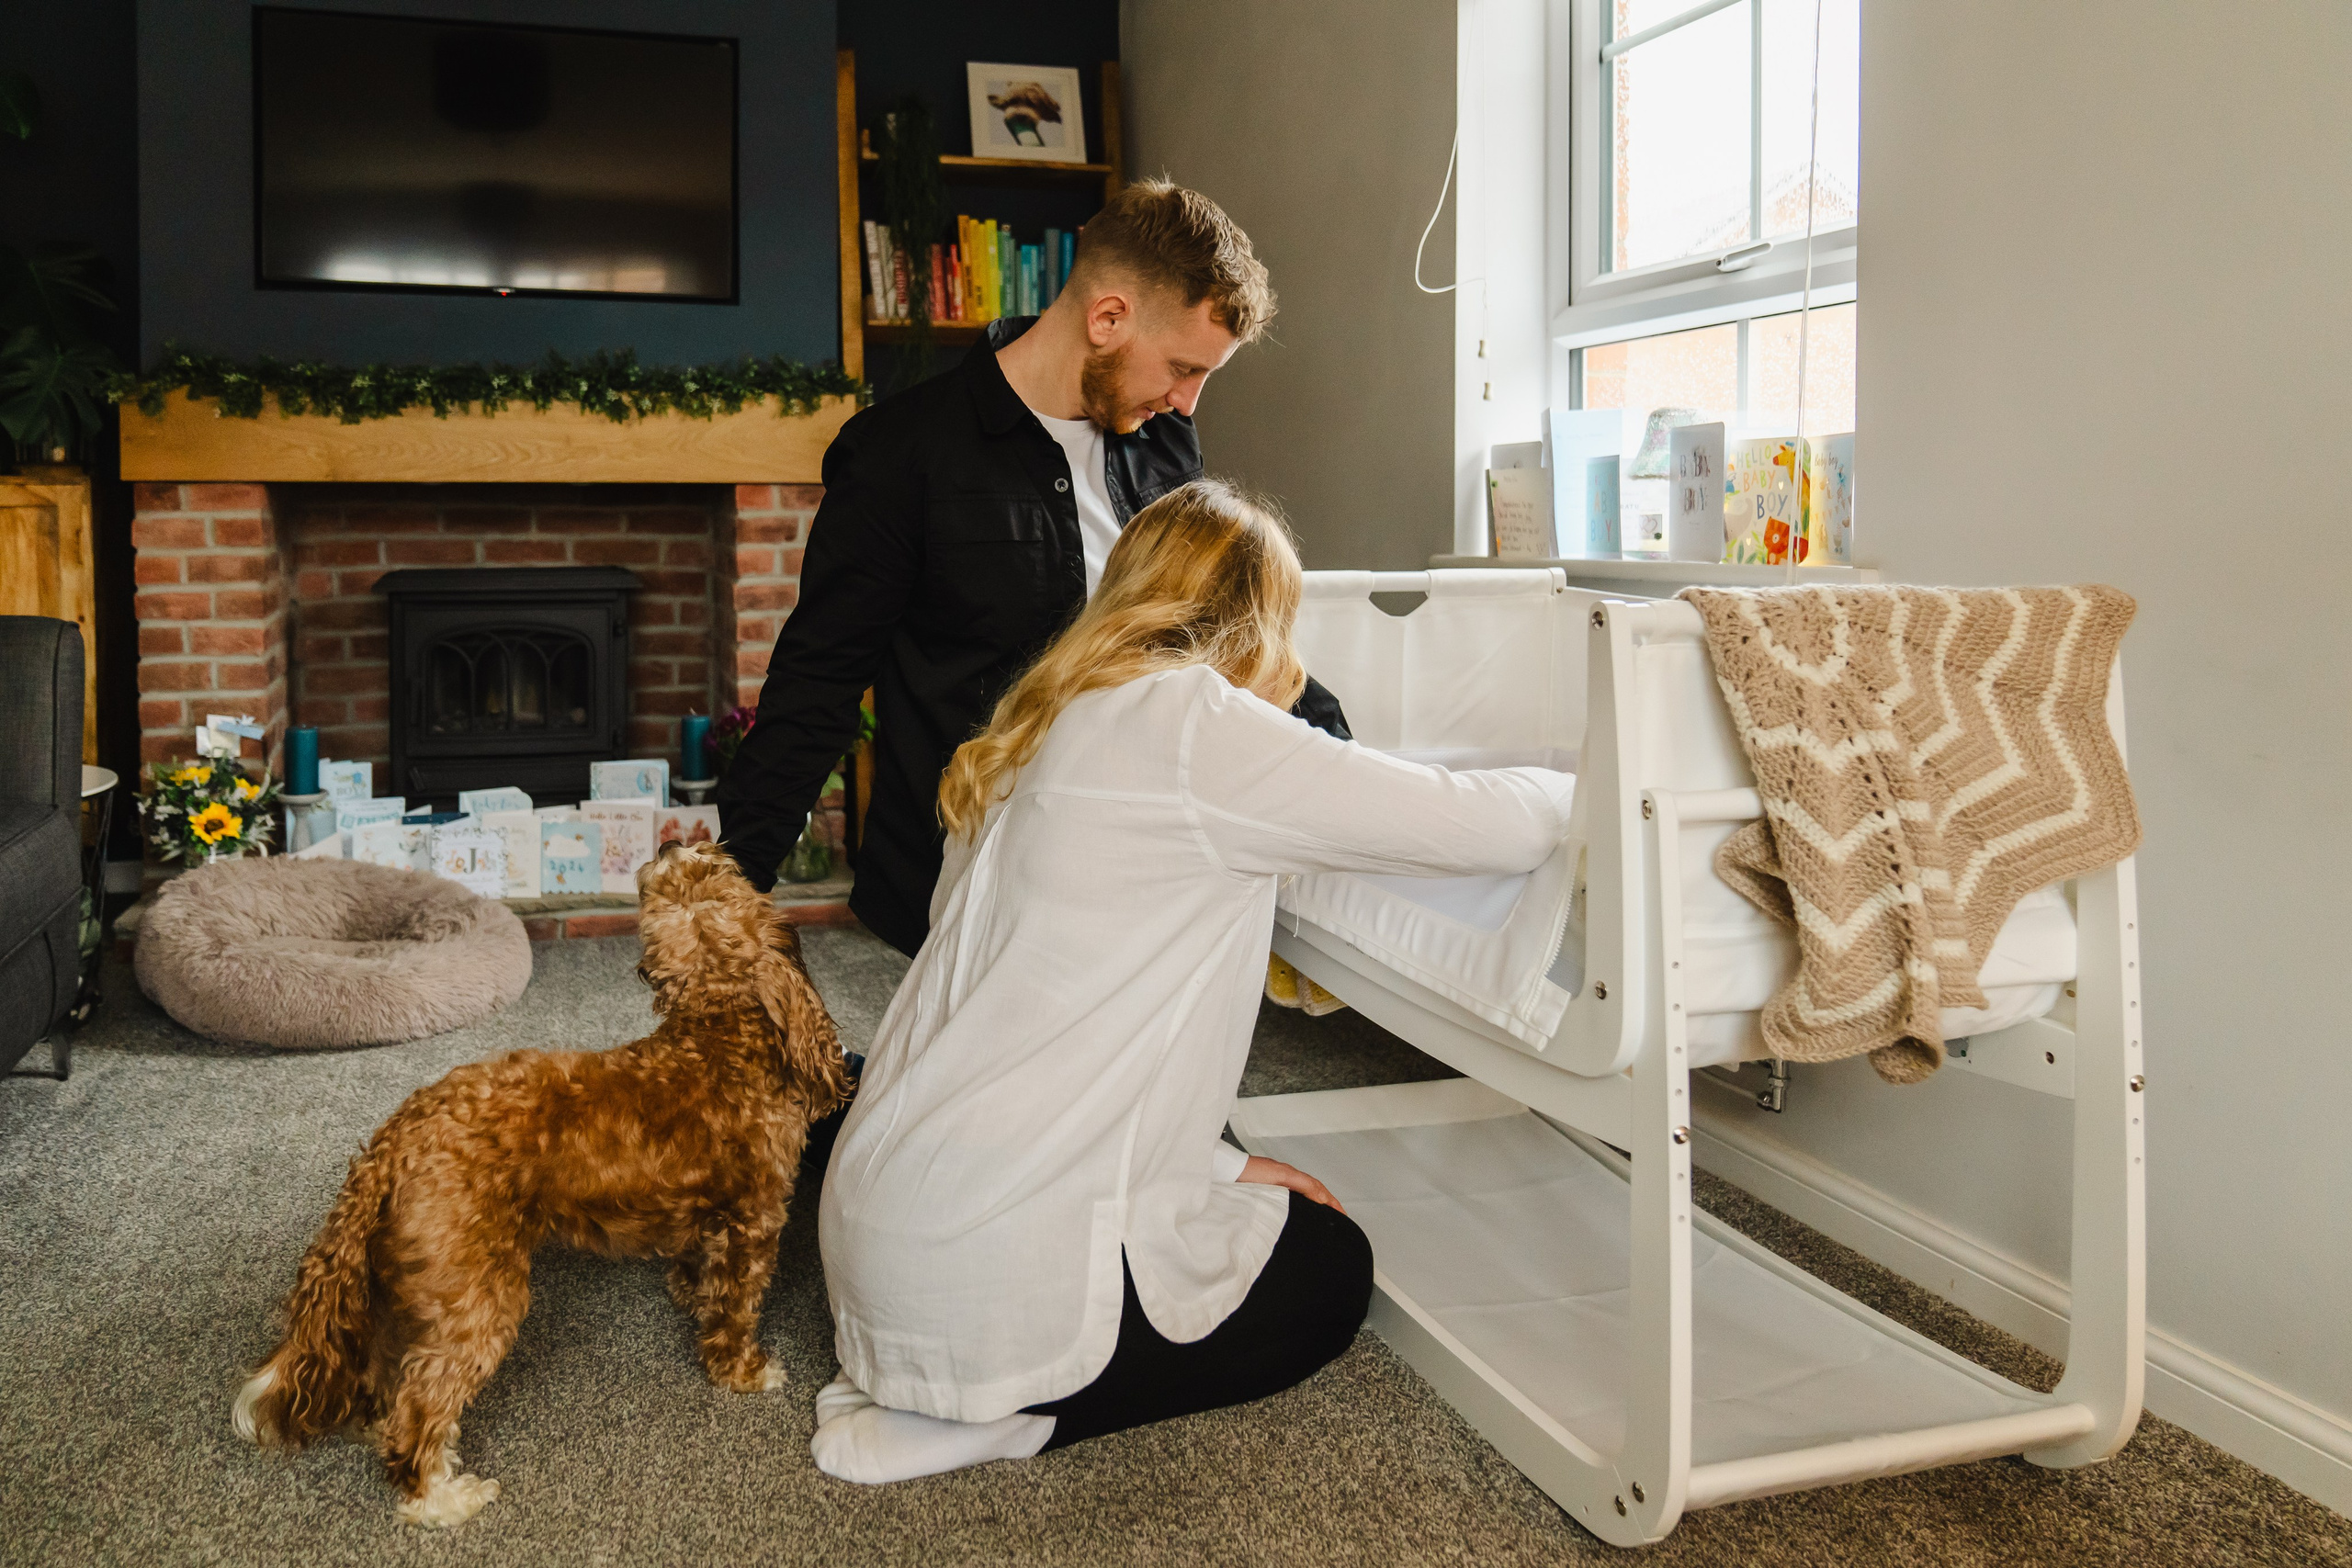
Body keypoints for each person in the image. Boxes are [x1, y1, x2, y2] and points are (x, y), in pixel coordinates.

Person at [807, 481, 1577, 1483]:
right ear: (1259, 621)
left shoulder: (1029, 725)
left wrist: (1220, 1167)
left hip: (874, 1221)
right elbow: (1487, 824)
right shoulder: (1193, 724)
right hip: (979, 1269)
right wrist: (1585, 780)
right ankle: (1004, 1413)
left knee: (1258, 1209)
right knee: (1330, 1276)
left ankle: (965, 1376)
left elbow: (1036, 1025)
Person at [717, 180, 1350, 957]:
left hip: (1134, 860)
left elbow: (1224, 629)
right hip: (970, 874)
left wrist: (1338, 754)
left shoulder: (1165, 449)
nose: (1188, 403)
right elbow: (818, 682)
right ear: (1108, 317)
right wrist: (731, 885)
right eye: (1183, 367)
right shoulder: (901, 453)